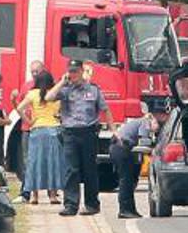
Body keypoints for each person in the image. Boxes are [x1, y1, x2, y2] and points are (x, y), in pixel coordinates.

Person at [49, 60, 114, 216]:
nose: (73, 74)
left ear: (82, 71)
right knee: (71, 170)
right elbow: (49, 97)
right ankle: (71, 205)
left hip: (89, 133)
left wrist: (114, 130)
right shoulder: (64, 90)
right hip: (70, 133)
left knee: (90, 169)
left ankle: (92, 205)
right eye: (70, 71)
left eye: (75, 71)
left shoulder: (93, 90)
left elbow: (105, 110)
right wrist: (61, 82)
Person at [111, 101, 171, 219]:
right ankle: (125, 210)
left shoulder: (145, 121)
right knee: (126, 180)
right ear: (156, 115)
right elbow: (143, 143)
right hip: (121, 147)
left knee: (131, 179)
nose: (165, 118)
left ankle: (130, 209)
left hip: (122, 148)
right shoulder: (146, 122)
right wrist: (153, 149)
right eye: (164, 115)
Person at [15, 70, 63, 205]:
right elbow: (61, 111)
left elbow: (19, 108)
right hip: (54, 130)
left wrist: (29, 121)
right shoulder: (55, 95)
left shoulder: (32, 94)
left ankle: (34, 196)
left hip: (37, 131)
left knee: (35, 163)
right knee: (53, 163)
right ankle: (53, 195)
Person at [12, 60, 45, 202]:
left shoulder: (49, 86)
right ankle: (25, 193)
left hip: (43, 128)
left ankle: (51, 192)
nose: (34, 74)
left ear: (43, 70)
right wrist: (26, 119)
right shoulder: (27, 86)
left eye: (37, 71)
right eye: (32, 72)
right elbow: (19, 106)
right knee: (27, 161)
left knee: (45, 160)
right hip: (27, 129)